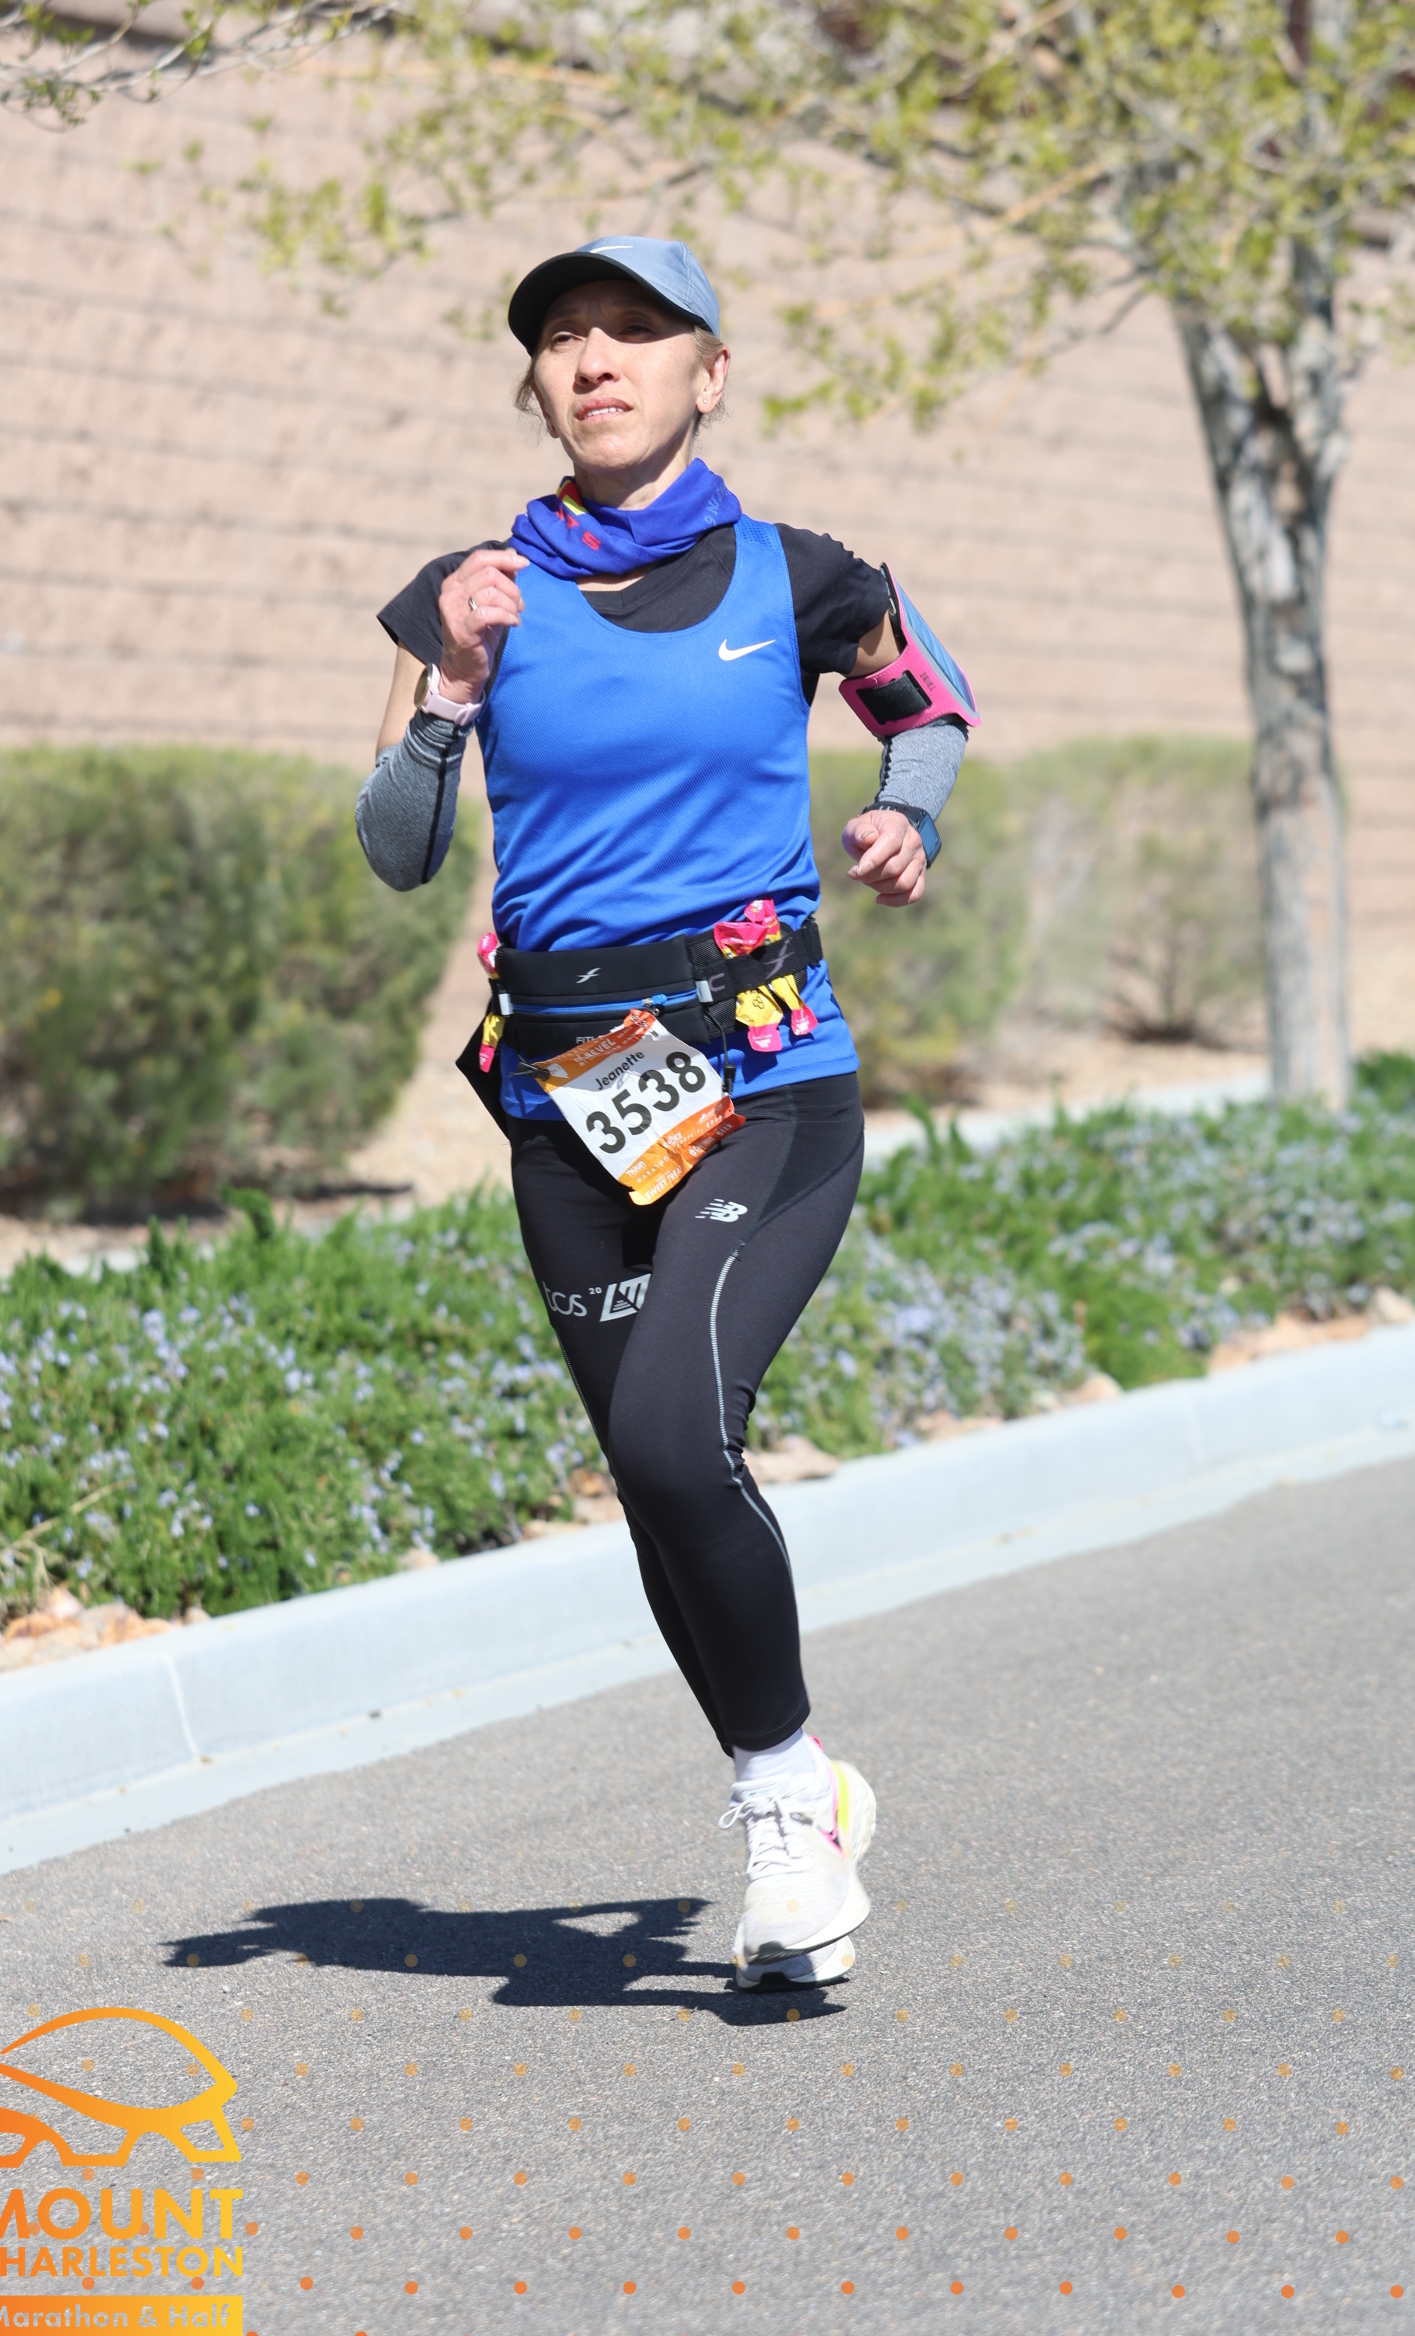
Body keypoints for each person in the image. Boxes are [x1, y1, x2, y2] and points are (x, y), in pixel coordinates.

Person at [357, 236, 975, 1990]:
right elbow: (398, 851)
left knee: (673, 1434)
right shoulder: (468, 594)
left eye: (636, 330)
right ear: (537, 385)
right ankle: (797, 1786)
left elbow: (927, 706)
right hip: (568, 1098)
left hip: (763, 1078)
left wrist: (909, 811)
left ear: (710, 374)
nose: (597, 358)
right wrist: (451, 690)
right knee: (653, 1477)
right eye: (565, 336)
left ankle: (785, 1816)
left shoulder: (801, 574)